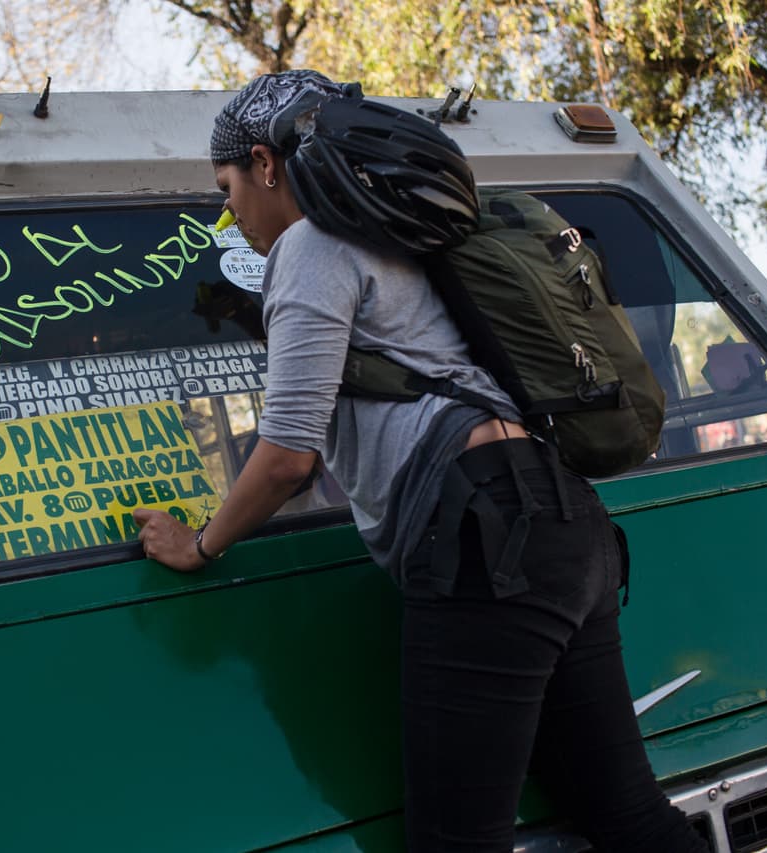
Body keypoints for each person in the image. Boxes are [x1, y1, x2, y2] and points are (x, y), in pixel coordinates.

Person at [133, 70, 710, 852]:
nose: (227, 210)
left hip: (483, 541)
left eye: (227, 185)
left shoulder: (308, 246)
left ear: (267, 165)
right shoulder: (401, 230)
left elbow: (287, 458)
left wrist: (199, 544)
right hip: (568, 523)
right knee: (627, 813)